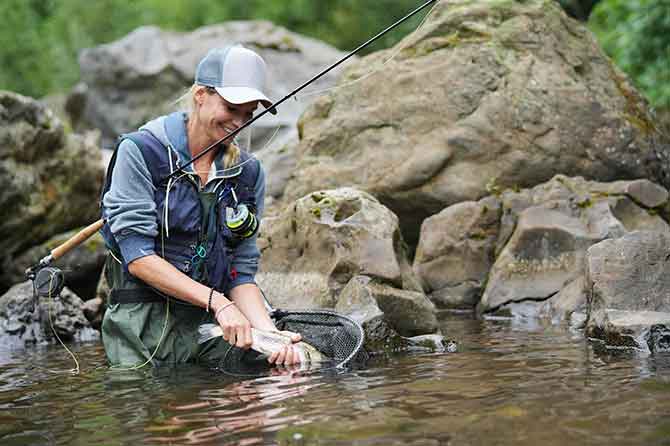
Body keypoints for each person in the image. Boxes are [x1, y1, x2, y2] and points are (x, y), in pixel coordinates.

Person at [100, 45, 301, 368]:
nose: (239, 122)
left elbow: (241, 271)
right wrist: (218, 303)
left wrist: (269, 333)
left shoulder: (248, 173)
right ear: (200, 95)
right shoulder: (139, 152)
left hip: (214, 332)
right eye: (232, 108)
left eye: (248, 113)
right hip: (141, 335)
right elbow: (137, 257)